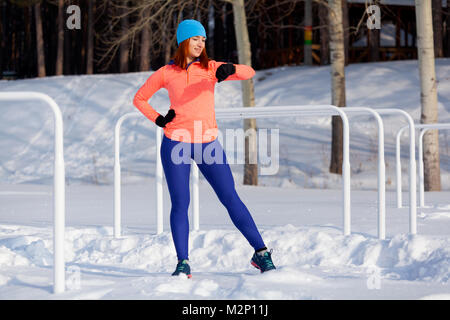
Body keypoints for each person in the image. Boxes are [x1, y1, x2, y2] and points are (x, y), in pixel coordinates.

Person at [133, 19, 275, 278]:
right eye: (196, 38)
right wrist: (159, 119)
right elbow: (139, 98)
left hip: (206, 143)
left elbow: (249, 72)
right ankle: (183, 262)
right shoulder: (166, 72)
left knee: (230, 198)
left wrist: (230, 68)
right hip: (176, 142)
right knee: (180, 203)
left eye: (203, 40)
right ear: (183, 41)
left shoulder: (210, 68)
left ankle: (262, 253)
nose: (200, 43)